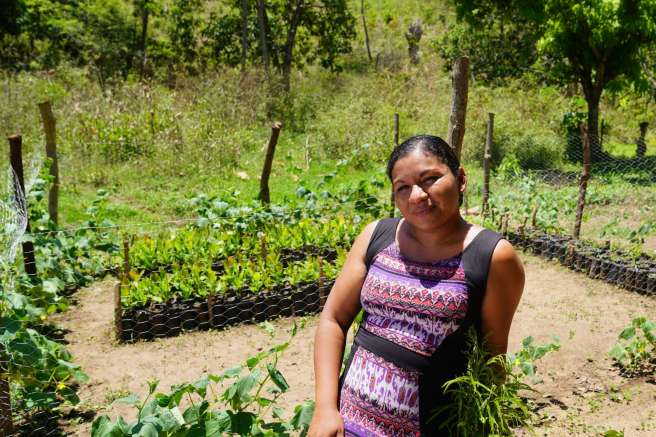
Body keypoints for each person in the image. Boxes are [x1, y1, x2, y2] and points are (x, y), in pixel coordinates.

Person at [308, 135, 525, 437]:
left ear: (460, 179)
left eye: (430, 179)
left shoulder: (491, 255)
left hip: (434, 426)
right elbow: (333, 319)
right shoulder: (377, 236)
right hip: (350, 421)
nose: (417, 196)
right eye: (403, 187)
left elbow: (491, 360)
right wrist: (325, 409)